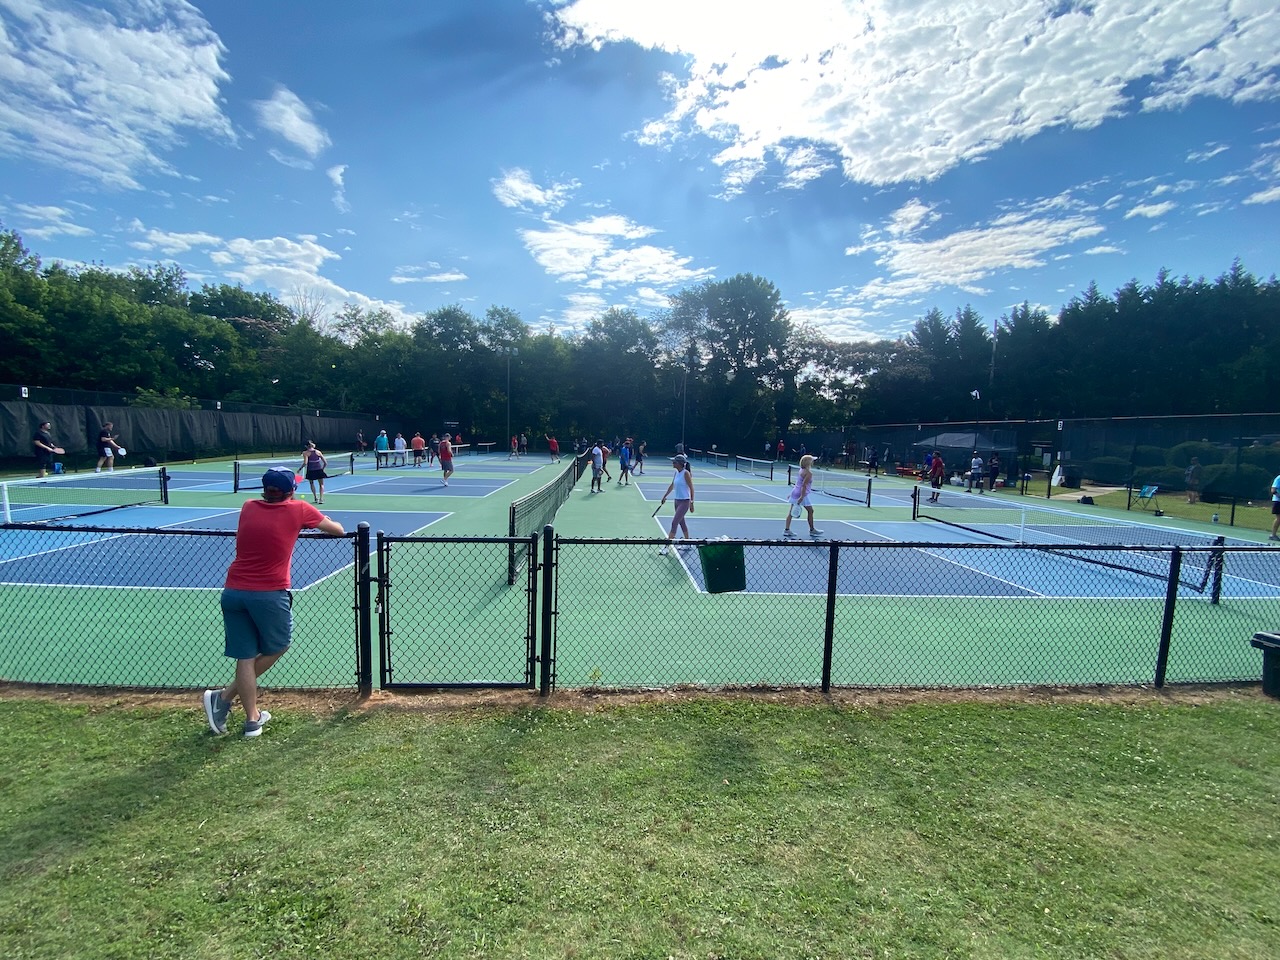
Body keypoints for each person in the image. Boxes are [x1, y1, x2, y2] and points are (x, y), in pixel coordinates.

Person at [203, 467, 345, 738]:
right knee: (279, 646)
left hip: (233, 591)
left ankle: (251, 720)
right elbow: (337, 530)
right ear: (292, 491)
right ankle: (223, 699)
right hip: (269, 593)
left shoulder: (248, 506)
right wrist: (322, 518)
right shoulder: (300, 509)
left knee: (245, 657)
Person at [657, 453, 695, 554]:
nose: (672, 463)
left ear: (679, 463)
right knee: (682, 522)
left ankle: (666, 547)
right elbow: (672, 485)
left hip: (685, 501)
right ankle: (688, 543)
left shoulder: (686, 473)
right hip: (677, 501)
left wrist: (691, 502)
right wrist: (665, 496)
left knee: (674, 523)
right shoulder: (676, 473)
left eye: (674, 462)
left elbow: (691, 488)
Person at [1270, 472, 1280, 541]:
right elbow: (1273, 490)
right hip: (1278, 501)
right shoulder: (1279, 478)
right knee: (1279, 518)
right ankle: (1273, 535)